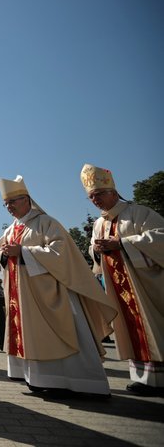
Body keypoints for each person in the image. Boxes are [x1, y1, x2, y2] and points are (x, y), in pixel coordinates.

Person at [0, 175, 116, 398]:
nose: (9, 207)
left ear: (27, 200)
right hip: (22, 295)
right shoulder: (11, 229)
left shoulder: (46, 222)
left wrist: (22, 252)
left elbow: (61, 252)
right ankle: (41, 380)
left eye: (13, 202)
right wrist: (3, 253)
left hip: (51, 293)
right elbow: (1, 251)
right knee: (32, 335)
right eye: (5, 204)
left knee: (65, 333)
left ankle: (83, 383)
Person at [81, 164, 164, 396]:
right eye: (91, 197)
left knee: (152, 327)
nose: (95, 200)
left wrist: (123, 244)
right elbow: (94, 255)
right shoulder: (99, 223)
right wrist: (96, 250)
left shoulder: (138, 213)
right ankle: (142, 378)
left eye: (98, 194)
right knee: (129, 328)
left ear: (113, 192)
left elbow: (160, 238)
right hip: (118, 286)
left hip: (145, 285)